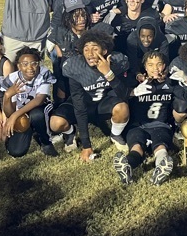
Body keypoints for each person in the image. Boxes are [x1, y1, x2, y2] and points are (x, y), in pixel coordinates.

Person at [51, 30, 130, 161]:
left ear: (104, 51)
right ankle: (70, 132)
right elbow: (79, 106)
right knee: (55, 123)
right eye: (86, 49)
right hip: (84, 104)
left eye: (95, 49)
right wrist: (86, 145)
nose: (90, 53)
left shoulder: (115, 61)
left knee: (122, 108)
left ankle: (115, 134)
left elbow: (124, 95)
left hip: (104, 103)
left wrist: (108, 73)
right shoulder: (76, 67)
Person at [113, 50, 178, 186]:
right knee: (136, 146)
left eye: (159, 64)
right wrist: (134, 89)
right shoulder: (136, 82)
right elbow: (121, 91)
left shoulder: (171, 83)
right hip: (138, 125)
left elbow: (183, 97)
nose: (155, 68)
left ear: (164, 66)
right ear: (145, 67)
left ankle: (161, 167)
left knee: (161, 145)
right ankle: (127, 165)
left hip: (160, 124)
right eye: (150, 65)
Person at [1, 47, 59, 158]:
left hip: (41, 109)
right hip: (22, 116)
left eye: (34, 63)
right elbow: (9, 113)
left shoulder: (44, 73)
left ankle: (46, 142)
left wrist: (15, 115)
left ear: (38, 64)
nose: (30, 68)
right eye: (25, 64)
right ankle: (34, 132)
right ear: (19, 66)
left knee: (37, 115)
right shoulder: (12, 79)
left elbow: (39, 100)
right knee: (16, 152)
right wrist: (7, 96)